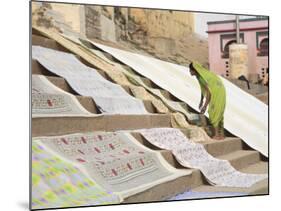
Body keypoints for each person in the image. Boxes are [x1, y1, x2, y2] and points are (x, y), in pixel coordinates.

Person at [189, 61, 226, 140]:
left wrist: (205, 106)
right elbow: (203, 89)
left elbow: (209, 93)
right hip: (221, 91)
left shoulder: (202, 77)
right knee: (219, 113)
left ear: (194, 70)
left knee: (213, 112)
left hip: (217, 93)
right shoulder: (201, 76)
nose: (189, 72)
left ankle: (216, 135)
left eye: (190, 70)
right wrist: (201, 100)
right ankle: (221, 135)